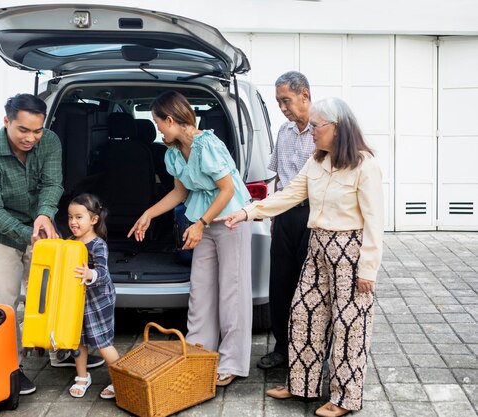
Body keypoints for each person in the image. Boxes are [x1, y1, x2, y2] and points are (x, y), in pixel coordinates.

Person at [216, 97, 383, 417]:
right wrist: (247, 211)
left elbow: (375, 221)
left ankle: (345, 398)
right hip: (317, 246)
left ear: (336, 127)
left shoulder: (365, 164)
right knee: (303, 312)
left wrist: (369, 269)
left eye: (317, 126)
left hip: (350, 251)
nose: (312, 133)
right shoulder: (317, 161)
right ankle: (301, 385)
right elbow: (289, 195)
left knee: (350, 326)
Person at [0, 94, 103, 395]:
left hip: (37, 224)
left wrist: (43, 215)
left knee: (51, 291)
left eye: (37, 130)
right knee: (3, 303)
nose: (31, 138)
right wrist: (30, 235)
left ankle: (59, 349)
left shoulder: (50, 141)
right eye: (23, 130)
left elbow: (52, 183)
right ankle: (9, 370)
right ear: (6, 122)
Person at [128, 91, 252, 386]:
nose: (158, 130)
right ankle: (198, 353)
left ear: (171, 120)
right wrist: (149, 214)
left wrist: (201, 224)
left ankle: (231, 362)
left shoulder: (207, 144)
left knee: (232, 293)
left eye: (159, 125)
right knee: (200, 290)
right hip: (202, 222)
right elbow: (179, 192)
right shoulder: (173, 152)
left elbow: (227, 190)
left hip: (230, 219)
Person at [258, 71, 316, 370]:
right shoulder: (284, 131)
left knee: (310, 286)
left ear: (304, 95)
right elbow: (279, 175)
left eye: (286, 101)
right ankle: (281, 347)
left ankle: (308, 350)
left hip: (313, 216)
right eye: (279, 102)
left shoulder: (324, 131)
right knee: (280, 283)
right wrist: (274, 215)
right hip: (284, 216)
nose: (282, 107)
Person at [66, 193, 120, 399]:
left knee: (103, 342)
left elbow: (104, 273)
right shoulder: (70, 242)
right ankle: (82, 376)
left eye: (79, 217)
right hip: (76, 300)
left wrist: (90, 273)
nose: (73, 222)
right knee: (78, 340)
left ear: (94, 220)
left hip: (98, 301)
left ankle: (120, 378)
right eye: (70, 217)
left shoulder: (98, 245)